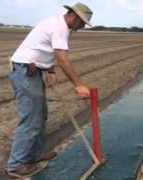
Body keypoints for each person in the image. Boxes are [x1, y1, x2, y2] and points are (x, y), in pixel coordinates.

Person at [7, 2, 93, 178]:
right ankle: (16, 166)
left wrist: (50, 69)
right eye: (82, 23)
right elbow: (62, 58)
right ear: (74, 16)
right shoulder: (59, 27)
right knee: (31, 119)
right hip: (25, 72)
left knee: (40, 115)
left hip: (33, 71)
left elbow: (46, 50)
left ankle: (35, 155)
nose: (82, 27)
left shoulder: (59, 25)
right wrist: (78, 84)